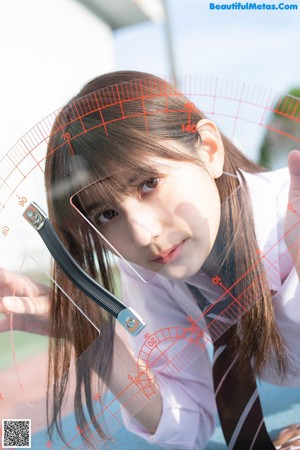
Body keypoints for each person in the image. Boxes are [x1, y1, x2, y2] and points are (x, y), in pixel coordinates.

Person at [1, 70, 300, 450]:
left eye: (148, 184)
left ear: (208, 150)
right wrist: (97, 341)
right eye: (106, 215)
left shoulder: (284, 216)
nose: (142, 234)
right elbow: (189, 422)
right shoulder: (154, 272)